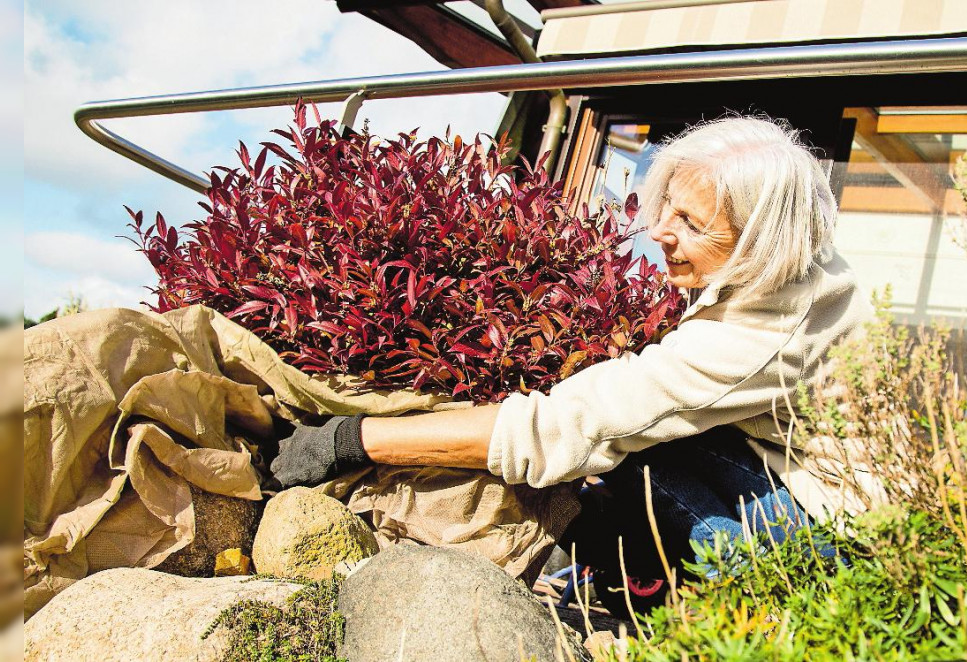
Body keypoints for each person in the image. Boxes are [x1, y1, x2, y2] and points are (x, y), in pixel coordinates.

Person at [271, 115, 873, 613]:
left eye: (690, 223)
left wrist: (353, 438)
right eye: (667, 205)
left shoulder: (767, 332)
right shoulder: (795, 263)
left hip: (834, 546)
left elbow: (566, 425)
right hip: (796, 476)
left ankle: (737, 598)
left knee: (620, 454)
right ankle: (639, 570)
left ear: (756, 242)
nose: (659, 230)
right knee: (639, 437)